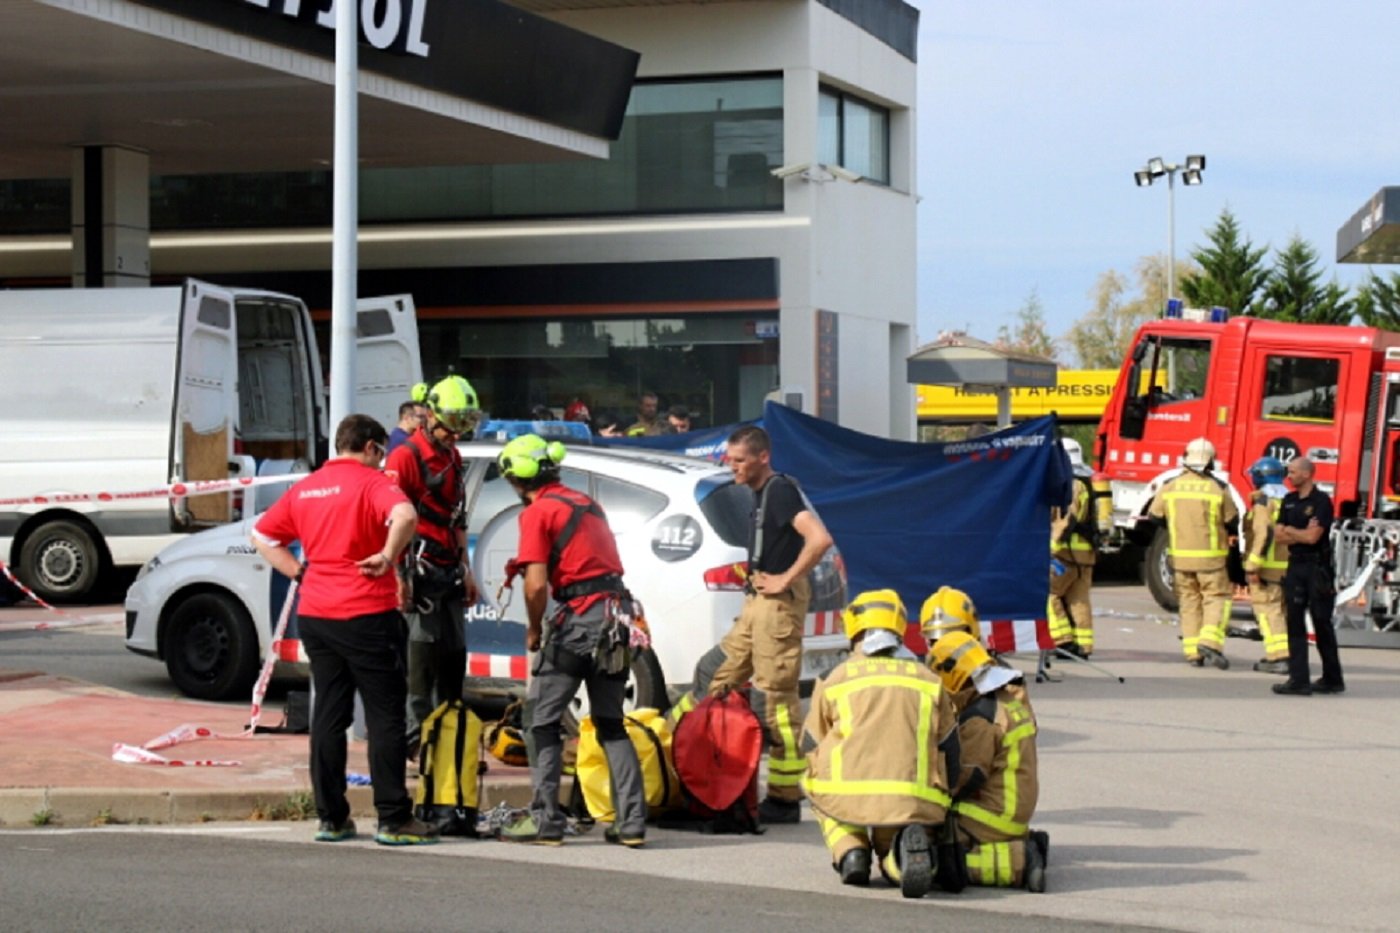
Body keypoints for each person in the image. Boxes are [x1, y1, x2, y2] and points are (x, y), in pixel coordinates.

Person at [251, 414, 438, 846]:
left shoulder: (307, 486)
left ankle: (331, 817)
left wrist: (299, 572)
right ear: (372, 447)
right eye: (382, 452)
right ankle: (392, 818)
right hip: (366, 612)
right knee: (385, 715)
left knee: (329, 715)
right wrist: (388, 556)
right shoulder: (372, 483)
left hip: (316, 613)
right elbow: (405, 515)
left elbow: (262, 535)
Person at [668, 425, 834, 824]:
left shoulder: (779, 490)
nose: (732, 467)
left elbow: (819, 539)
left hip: (776, 608)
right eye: (730, 459)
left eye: (740, 460)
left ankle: (784, 796)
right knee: (712, 674)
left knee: (775, 703)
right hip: (757, 604)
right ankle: (682, 760)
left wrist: (784, 579)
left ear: (763, 457)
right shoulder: (759, 493)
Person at [494, 434, 647, 846]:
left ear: (517, 478)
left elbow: (535, 585)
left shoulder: (538, 513)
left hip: (578, 624)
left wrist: (533, 628)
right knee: (611, 725)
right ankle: (631, 823)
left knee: (540, 722)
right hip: (618, 621)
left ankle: (547, 822)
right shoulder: (587, 504)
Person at [802, 589, 957, 898]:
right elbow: (951, 746)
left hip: (845, 795)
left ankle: (850, 850)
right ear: (899, 627)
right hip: (912, 797)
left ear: (852, 628)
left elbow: (810, 743)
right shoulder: (928, 679)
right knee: (895, 839)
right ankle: (898, 858)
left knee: (818, 786)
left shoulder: (833, 677)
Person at [385, 375, 483, 749]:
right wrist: (399, 577)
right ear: (429, 417)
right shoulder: (405, 457)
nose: (455, 437)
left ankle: (450, 743)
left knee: (453, 660)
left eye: (461, 429)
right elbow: (392, 519)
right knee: (419, 665)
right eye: (450, 429)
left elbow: (456, 517)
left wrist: (467, 569)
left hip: (448, 570)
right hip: (417, 572)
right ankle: (418, 745)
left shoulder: (452, 456)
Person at [928, 631, 1048, 893]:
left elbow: (965, 777)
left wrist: (931, 787)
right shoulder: (1009, 698)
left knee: (936, 849)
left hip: (994, 815)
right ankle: (1020, 845)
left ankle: (1020, 861)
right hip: (1013, 808)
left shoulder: (981, 718)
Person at [1148, 437, 1238, 669]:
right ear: (1210, 462)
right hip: (1211, 560)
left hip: (1180, 560)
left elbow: (1154, 517)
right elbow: (1232, 520)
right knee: (1216, 599)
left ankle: (1192, 653)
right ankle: (1209, 642)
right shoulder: (1217, 488)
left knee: (1188, 604)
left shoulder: (1170, 486)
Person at [1272, 456, 1346, 696]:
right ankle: (1299, 680)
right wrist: (1298, 532)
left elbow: (1313, 538)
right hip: (1296, 566)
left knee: (1321, 621)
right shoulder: (1289, 500)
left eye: (1292, 472)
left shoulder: (1321, 501)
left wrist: (1291, 530)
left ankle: (1333, 678)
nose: (1288, 476)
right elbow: (1279, 536)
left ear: (1306, 474)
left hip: (1318, 568)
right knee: (1293, 621)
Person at [1047, 439, 1096, 658]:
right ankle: (1084, 646)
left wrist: (1053, 546)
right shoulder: (1086, 483)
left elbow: (1067, 520)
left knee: (1049, 594)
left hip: (1065, 554)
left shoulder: (1072, 485)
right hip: (1084, 555)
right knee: (1078, 599)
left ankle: (1063, 641)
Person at [1243, 457, 1292, 675]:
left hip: (1268, 569)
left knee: (1268, 612)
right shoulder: (1290, 500)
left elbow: (1263, 533)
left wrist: (1253, 565)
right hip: (1289, 568)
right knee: (1282, 612)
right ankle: (1284, 654)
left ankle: (1279, 657)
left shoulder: (1264, 502)